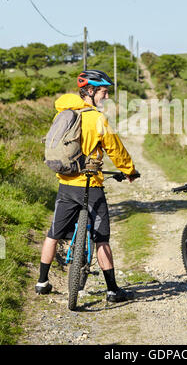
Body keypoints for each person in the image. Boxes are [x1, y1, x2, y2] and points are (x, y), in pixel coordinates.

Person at [35, 69, 138, 303]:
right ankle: (113, 290)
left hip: (65, 184)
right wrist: (129, 170)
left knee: (53, 234)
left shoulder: (62, 113)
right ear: (90, 91)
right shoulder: (97, 119)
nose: (106, 96)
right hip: (91, 187)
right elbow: (116, 150)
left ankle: (42, 282)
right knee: (101, 238)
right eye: (104, 91)